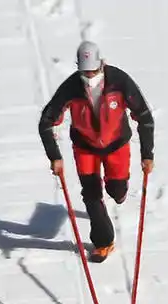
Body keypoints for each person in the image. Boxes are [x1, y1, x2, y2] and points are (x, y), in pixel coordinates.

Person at [38, 41, 155, 262]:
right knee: (91, 194)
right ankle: (103, 242)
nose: (90, 75)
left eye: (94, 70)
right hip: (85, 148)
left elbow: (144, 116)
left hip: (117, 144)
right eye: (85, 71)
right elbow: (46, 122)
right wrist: (55, 156)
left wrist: (147, 154)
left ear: (103, 63)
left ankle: (118, 190)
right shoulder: (71, 88)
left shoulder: (120, 81)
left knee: (116, 188)